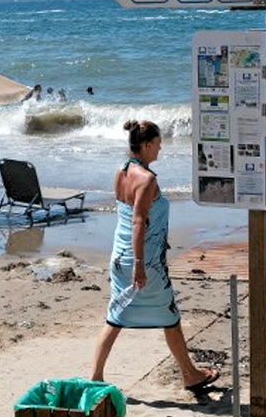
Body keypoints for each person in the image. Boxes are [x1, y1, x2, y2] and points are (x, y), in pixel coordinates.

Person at [90, 119, 220, 396]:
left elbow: (126, 216)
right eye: (158, 144)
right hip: (143, 261)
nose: (160, 149)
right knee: (169, 316)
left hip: (119, 254)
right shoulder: (147, 179)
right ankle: (190, 374)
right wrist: (139, 265)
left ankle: (96, 378)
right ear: (147, 145)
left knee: (116, 317)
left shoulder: (122, 171)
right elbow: (138, 221)